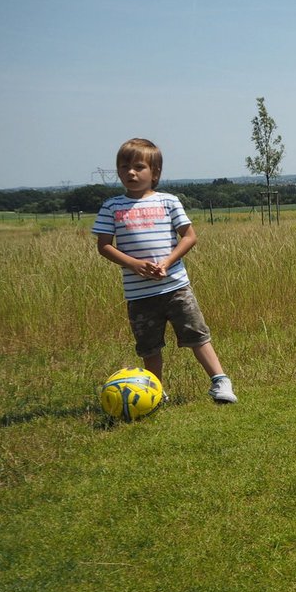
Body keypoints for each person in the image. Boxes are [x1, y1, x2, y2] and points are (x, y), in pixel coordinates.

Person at [93, 138, 237, 404]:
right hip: (139, 294)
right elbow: (104, 246)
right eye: (124, 167)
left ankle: (220, 382)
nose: (131, 173)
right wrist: (133, 264)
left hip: (175, 286)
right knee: (150, 347)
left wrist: (168, 262)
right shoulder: (111, 207)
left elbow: (189, 236)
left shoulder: (169, 201)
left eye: (139, 167)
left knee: (196, 335)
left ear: (155, 172)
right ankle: (154, 392)